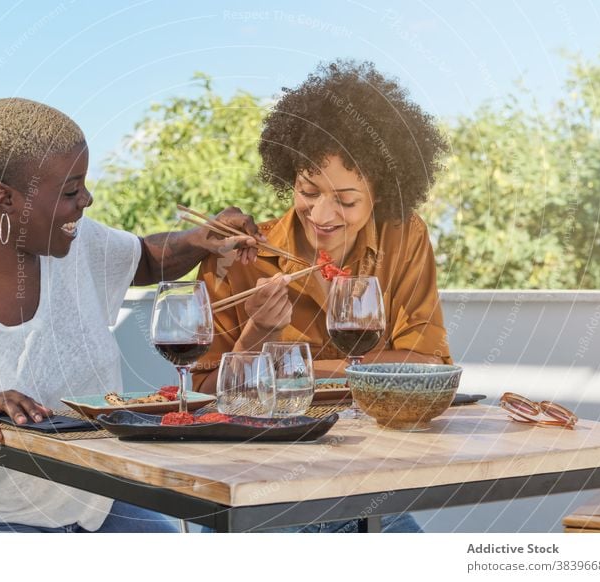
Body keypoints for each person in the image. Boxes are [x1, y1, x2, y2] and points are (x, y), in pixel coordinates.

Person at [0, 98, 263, 533]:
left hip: (98, 510)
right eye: (69, 191)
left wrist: (204, 238)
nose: (87, 199)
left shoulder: (76, 248)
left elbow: (144, 260)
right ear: (3, 197)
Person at [191, 60, 453, 533]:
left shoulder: (404, 237)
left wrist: (294, 373)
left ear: (383, 192)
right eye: (307, 191)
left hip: (369, 484)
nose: (323, 214)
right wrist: (257, 333)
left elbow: (427, 365)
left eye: (347, 201)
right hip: (262, 490)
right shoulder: (237, 258)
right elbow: (203, 398)